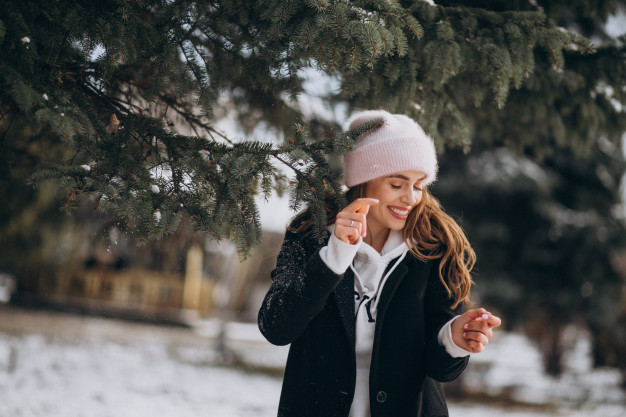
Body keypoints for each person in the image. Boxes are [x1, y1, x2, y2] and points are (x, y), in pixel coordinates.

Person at [258, 110, 501, 417]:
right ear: (363, 181)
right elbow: (275, 326)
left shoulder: (435, 247)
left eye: (418, 185)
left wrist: (452, 338)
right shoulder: (310, 233)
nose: (410, 198)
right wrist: (333, 257)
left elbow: (440, 370)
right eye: (397, 184)